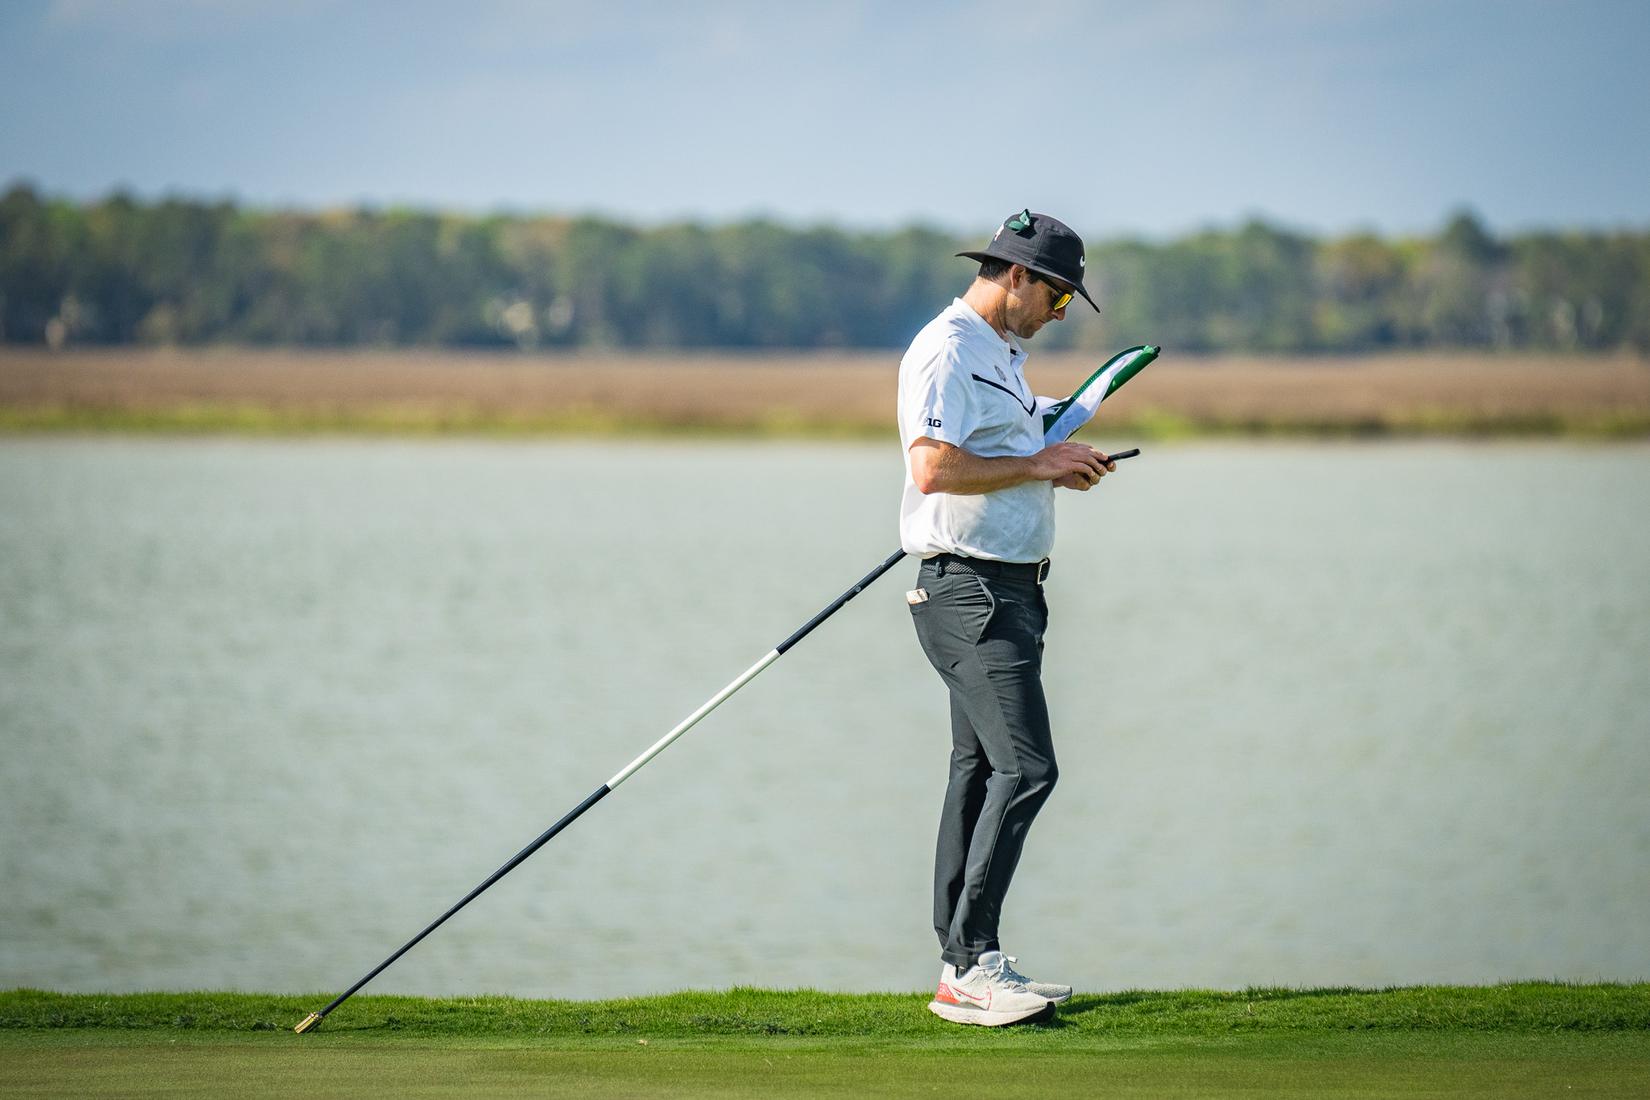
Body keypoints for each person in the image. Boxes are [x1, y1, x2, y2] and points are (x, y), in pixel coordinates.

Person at [897, 209, 1115, 1027]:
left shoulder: (1002, 357)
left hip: (1011, 589)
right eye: (1057, 298)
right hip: (969, 592)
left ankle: (969, 958)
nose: (1058, 314)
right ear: (1015, 276)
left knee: (982, 770)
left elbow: (1001, 456)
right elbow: (934, 465)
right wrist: (1037, 462)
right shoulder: (949, 349)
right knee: (1029, 768)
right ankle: (966, 972)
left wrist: (1055, 460)